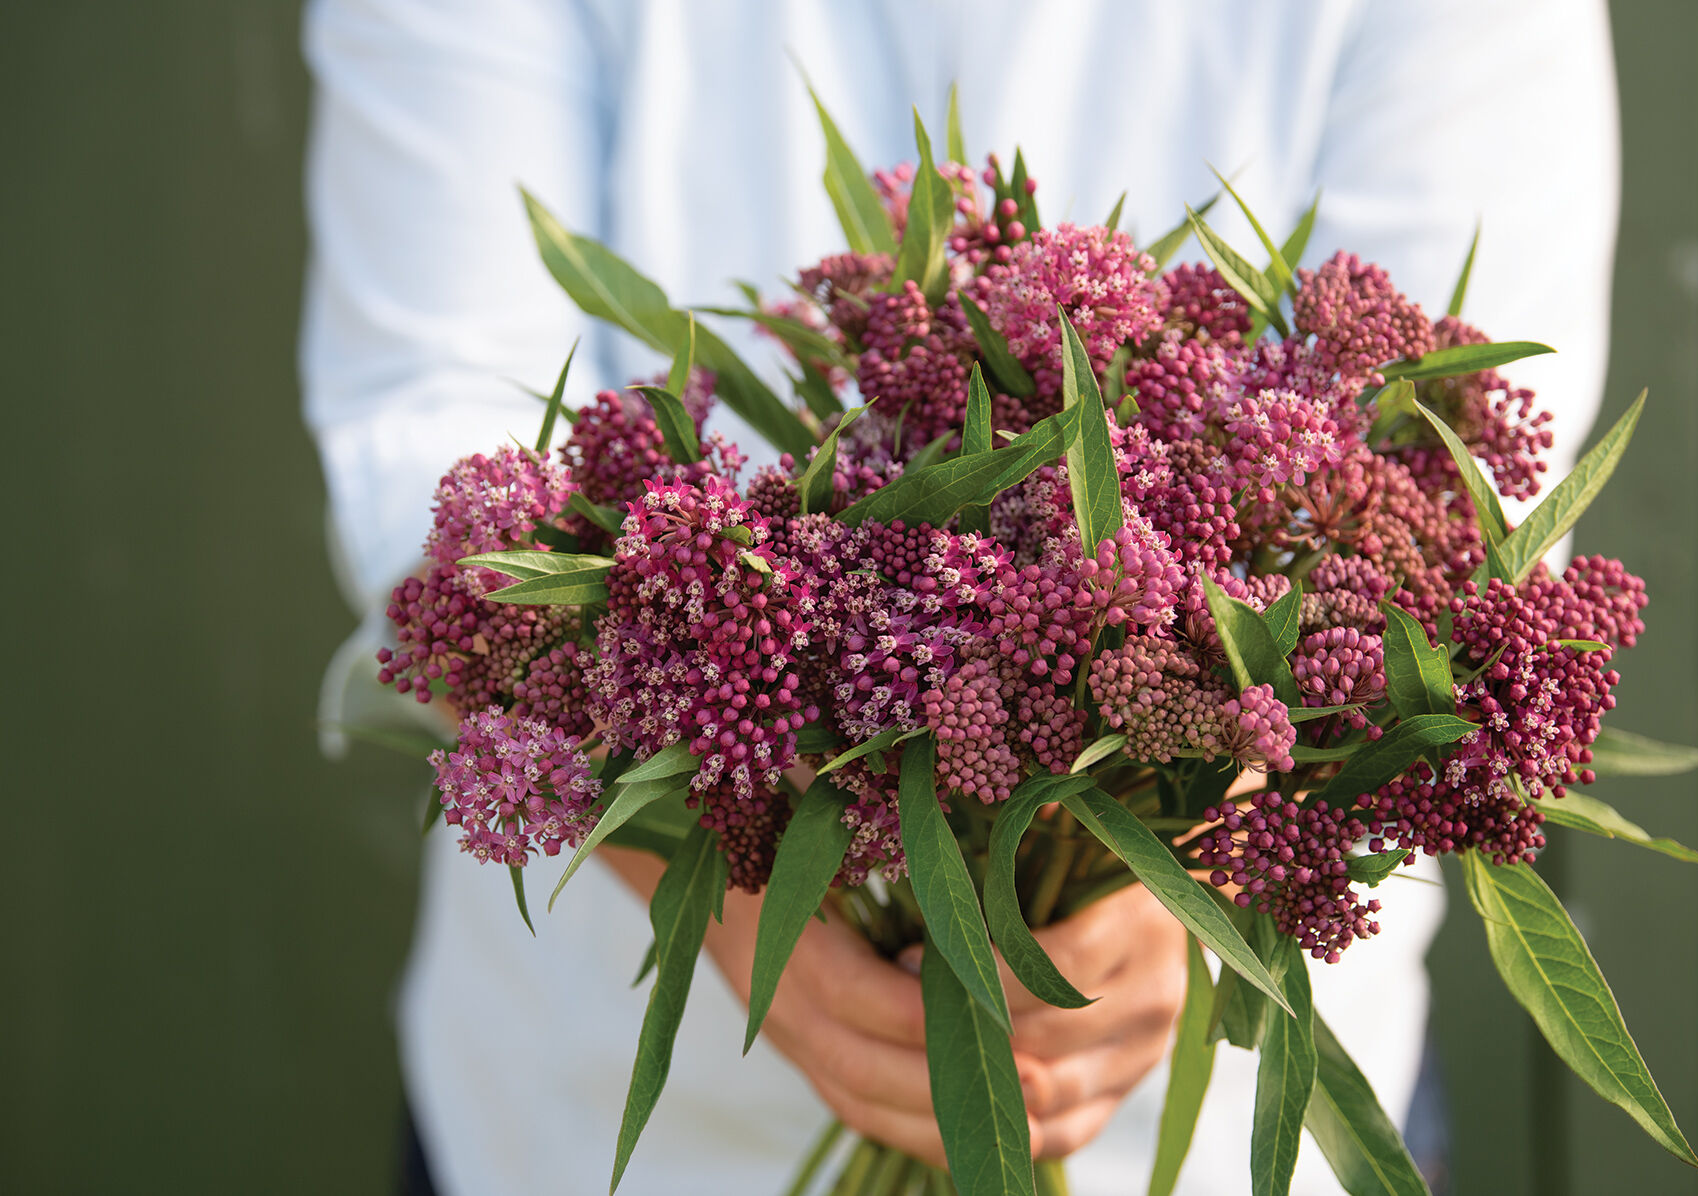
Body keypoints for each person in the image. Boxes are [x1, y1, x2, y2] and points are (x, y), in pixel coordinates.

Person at [301, 2, 1619, 1192]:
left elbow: (1446, 505)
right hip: (584, 1128)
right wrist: (699, 859)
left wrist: (1195, 874)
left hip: (1199, 1127)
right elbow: (424, 413)